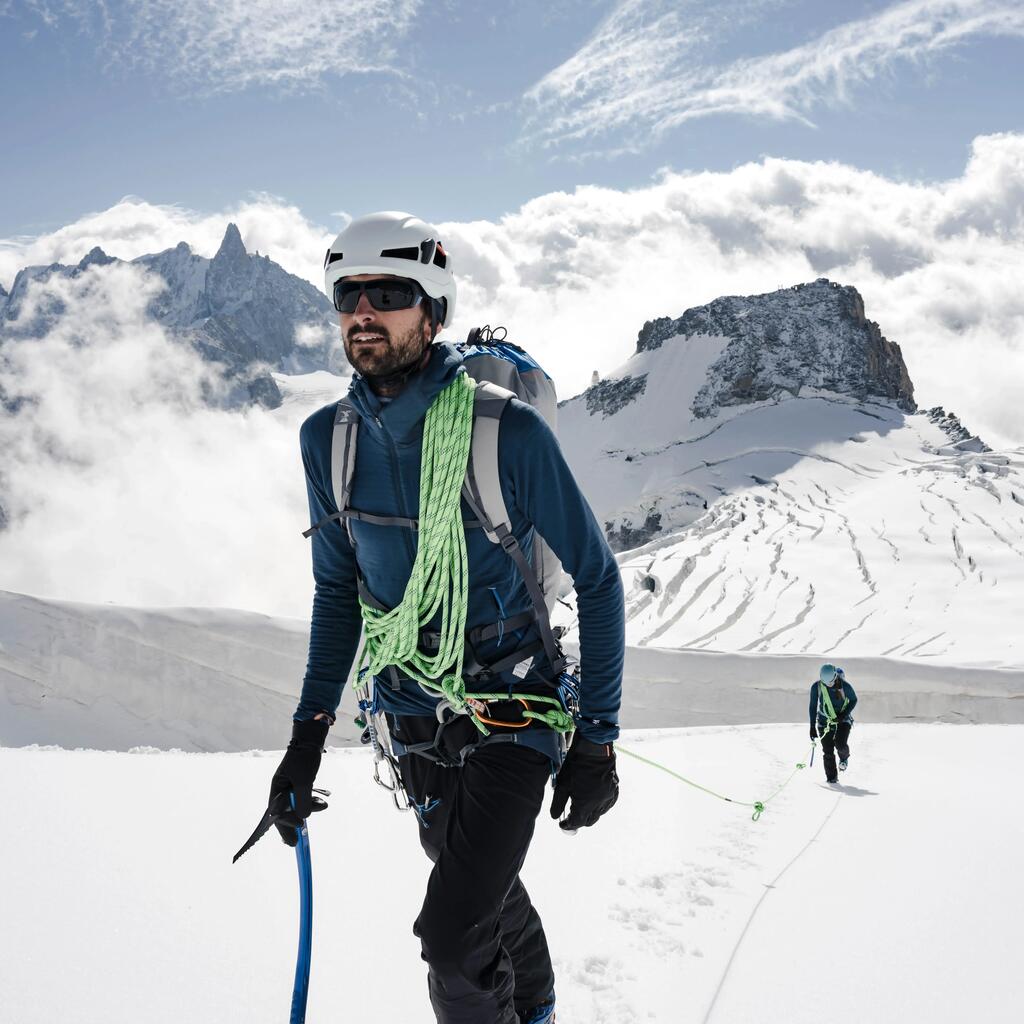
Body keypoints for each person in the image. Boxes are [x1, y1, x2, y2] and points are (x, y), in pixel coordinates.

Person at [267, 212, 625, 1024]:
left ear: (434, 312)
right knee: (484, 901)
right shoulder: (327, 440)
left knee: (450, 936)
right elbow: (339, 597)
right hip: (411, 714)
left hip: (513, 707)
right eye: (347, 294)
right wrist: (303, 744)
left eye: (389, 293)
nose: (363, 310)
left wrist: (597, 740)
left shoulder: (507, 433)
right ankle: (535, 1011)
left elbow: (598, 583)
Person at [809, 663, 858, 784]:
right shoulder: (817, 687)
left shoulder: (844, 686)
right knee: (827, 750)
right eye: (825, 683)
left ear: (836, 676)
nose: (828, 685)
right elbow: (813, 706)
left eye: (830, 682)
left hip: (843, 719)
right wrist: (812, 726)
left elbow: (853, 700)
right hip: (824, 721)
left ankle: (844, 757)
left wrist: (843, 715)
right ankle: (832, 779)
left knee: (840, 744)